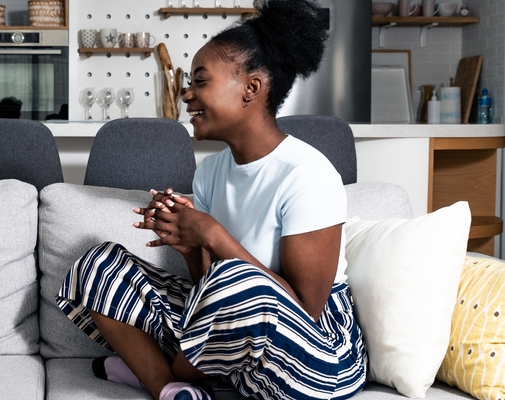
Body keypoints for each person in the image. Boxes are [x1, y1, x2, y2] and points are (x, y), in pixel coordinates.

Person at [56, 1, 366, 400]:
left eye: (201, 82)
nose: (187, 95)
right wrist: (190, 247)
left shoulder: (307, 173)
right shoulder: (211, 172)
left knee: (233, 280)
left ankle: (157, 369)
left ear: (251, 89)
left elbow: (304, 310)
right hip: (242, 342)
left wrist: (214, 234)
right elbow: (209, 290)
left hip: (320, 359)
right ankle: (171, 388)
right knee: (97, 263)